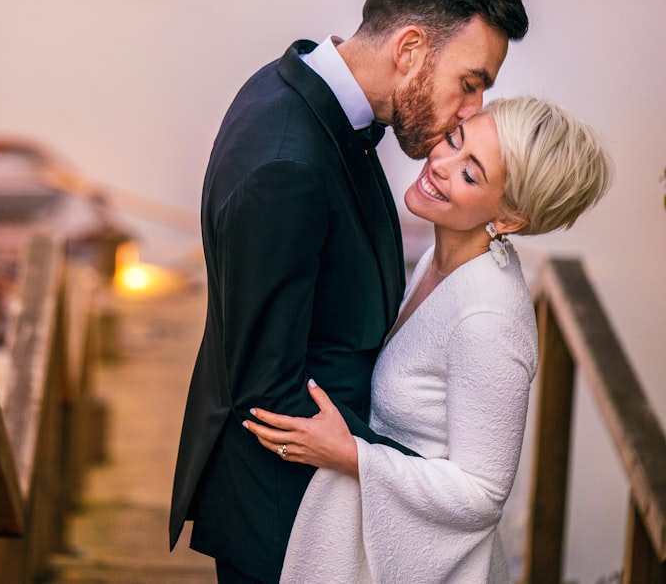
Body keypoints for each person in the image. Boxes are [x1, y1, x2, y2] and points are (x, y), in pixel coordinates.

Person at [169, 0, 529, 584]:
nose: (471, 111)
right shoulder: (289, 165)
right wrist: (419, 477)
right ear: (411, 48)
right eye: (469, 83)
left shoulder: (303, 94)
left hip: (318, 501)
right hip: (285, 526)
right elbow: (268, 394)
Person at [244, 96, 613, 583]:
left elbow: (481, 494)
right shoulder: (438, 261)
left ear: (508, 219)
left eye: (471, 173)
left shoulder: (489, 317)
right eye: (456, 140)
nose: (439, 163)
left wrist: (351, 455)